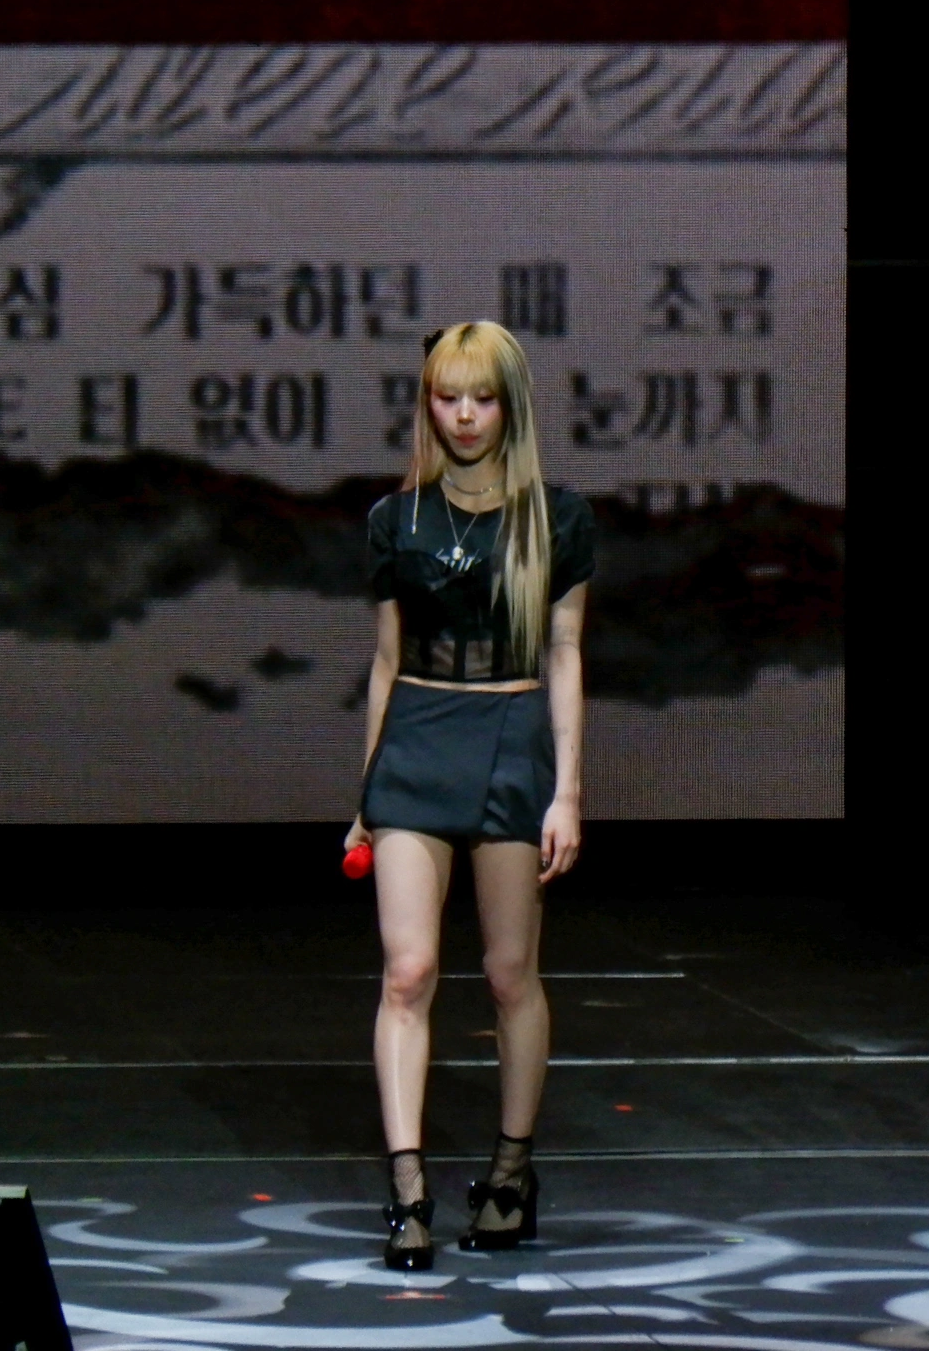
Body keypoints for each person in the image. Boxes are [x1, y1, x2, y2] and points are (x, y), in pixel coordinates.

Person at [347, 321, 594, 1270]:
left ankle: (511, 1174)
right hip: (417, 738)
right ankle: (408, 1191)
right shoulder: (396, 520)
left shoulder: (556, 519)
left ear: (509, 405)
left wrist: (567, 791)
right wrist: (366, 791)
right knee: (407, 972)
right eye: (447, 397)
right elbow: (385, 661)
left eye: (481, 397)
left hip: (510, 741)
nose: (463, 415)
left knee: (507, 972)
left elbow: (565, 652)